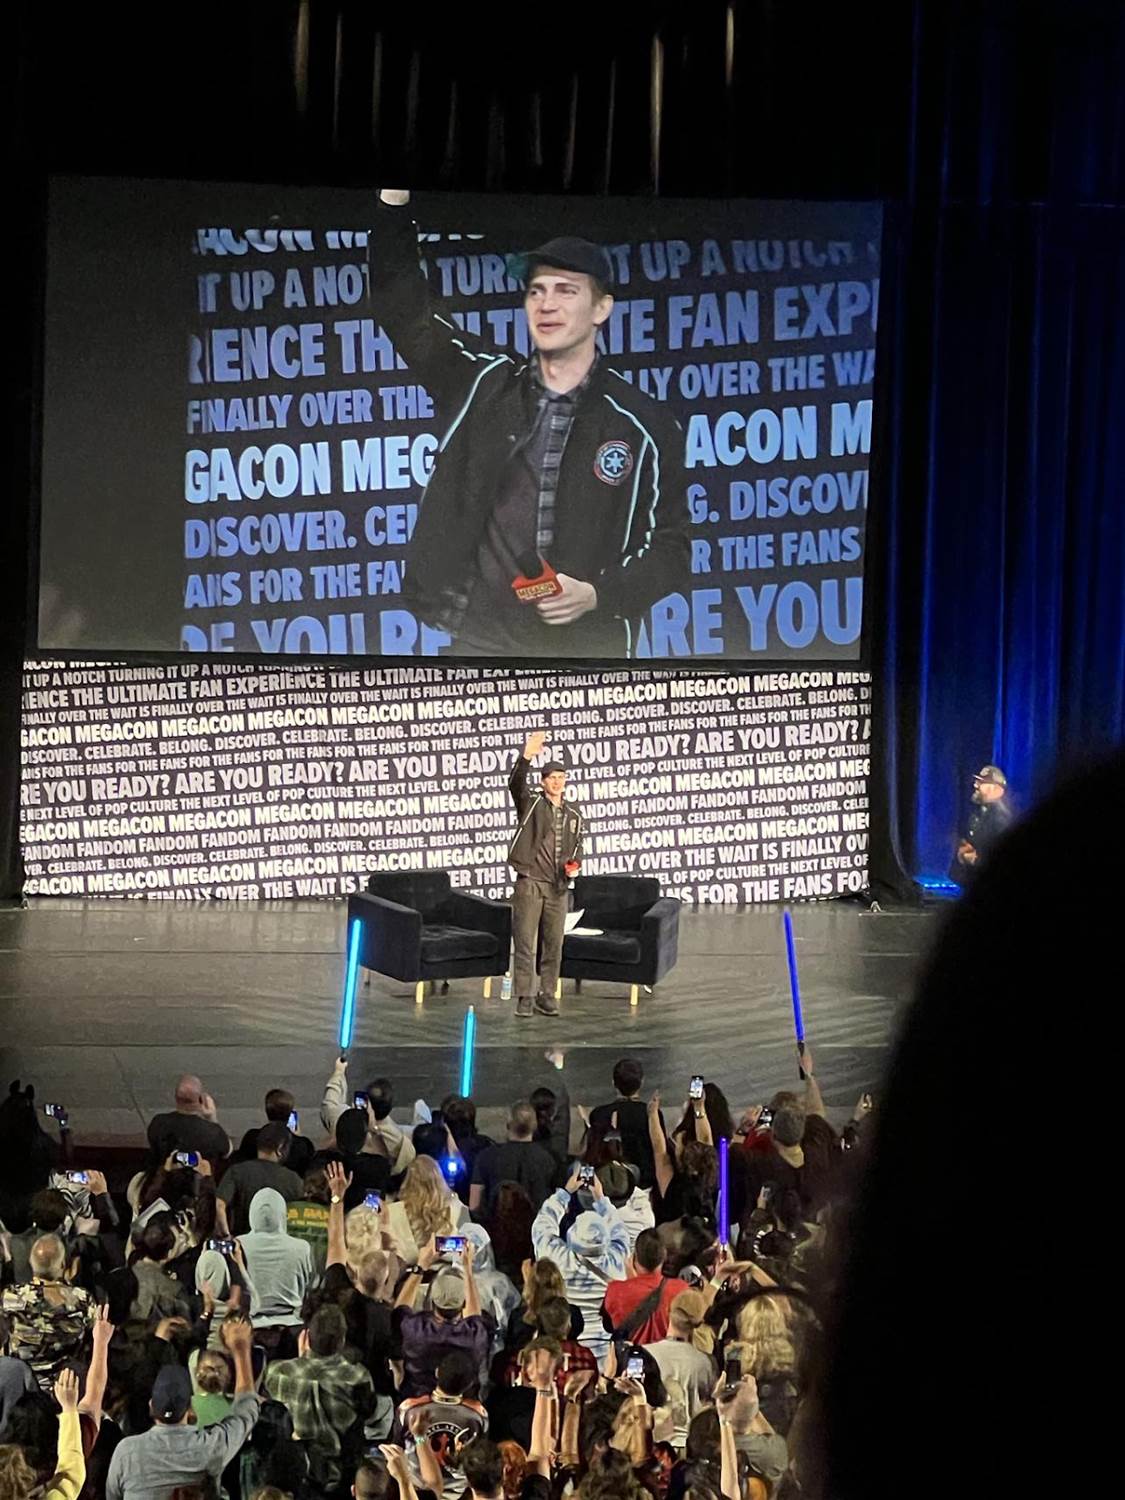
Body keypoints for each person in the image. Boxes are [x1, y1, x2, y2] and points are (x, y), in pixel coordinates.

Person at [372, 190, 691, 660]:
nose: (547, 304)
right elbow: (403, 309)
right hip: (479, 649)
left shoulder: (643, 424)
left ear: (601, 308)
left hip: (586, 661)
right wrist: (393, 206)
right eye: (536, 291)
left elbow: (671, 551)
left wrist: (597, 595)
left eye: (566, 290)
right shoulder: (483, 383)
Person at [104, 1317, 259, 1499]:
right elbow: (247, 1410)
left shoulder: (126, 1452)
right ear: (190, 1409)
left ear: (151, 1407)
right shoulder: (210, 1447)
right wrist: (241, 1349)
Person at [265, 1303, 376, 1494]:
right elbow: (369, 1413)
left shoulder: (278, 1372)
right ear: (342, 1341)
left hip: (298, 1474)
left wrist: (302, 1359)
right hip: (344, 1475)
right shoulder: (359, 1376)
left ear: (307, 1337)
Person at [530, 1169, 628, 1368]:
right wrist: (601, 1198)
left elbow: (542, 1225)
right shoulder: (617, 1260)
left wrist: (565, 1193)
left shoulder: (558, 1258)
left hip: (566, 1340)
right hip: (603, 1349)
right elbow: (620, 1232)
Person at [394, 1240, 493, 1400]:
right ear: (463, 1304)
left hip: (418, 1401)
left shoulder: (415, 1329)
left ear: (432, 1302)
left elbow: (399, 1311)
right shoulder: (474, 1336)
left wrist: (421, 1266)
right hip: (462, 1403)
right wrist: (467, 1269)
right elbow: (475, 1318)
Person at [1, 1234, 94, 1392]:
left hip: (20, 1385)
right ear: (63, 1264)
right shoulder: (82, 1300)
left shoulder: (11, 1296)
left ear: (31, 1262)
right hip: (65, 1387)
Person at [396, 1349, 489, 1498]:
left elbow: (396, 1447)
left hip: (417, 1491)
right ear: (470, 1384)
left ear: (437, 1373)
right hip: (458, 1493)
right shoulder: (479, 1415)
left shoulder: (410, 1409)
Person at [236, 1188, 313, 1350]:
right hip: (291, 1328)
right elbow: (309, 1287)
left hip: (250, 1328)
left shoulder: (238, 1245)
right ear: (282, 1215)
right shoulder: (302, 1248)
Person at [644, 1290, 717, 1451]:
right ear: (699, 1323)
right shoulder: (707, 1363)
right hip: (692, 1445)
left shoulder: (645, 1353)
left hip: (654, 1444)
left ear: (668, 1312)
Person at [321, 1060, 415, 1179]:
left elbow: (330, 1102)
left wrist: (339, 1071)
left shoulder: (342, 1120)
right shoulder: (397, 1141)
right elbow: (409, 1156)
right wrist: (375, 1128)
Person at [600, 1227, 692, 1349]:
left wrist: (631, 1282)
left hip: (630, 1358)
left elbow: (608, 1327)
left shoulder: (615, 1291)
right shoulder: (681, 1290)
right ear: (664, 1256)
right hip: (667, 1358)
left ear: (634, 1257)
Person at [469, 1103, 559, 1215]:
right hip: (538, 1224)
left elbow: (474, 1205)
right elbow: (558, 1203)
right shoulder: (549, 1158)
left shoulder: (486, 1156)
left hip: (496, 1224)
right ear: (535, 1126)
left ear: (508, 1124)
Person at [217, 1124, 303, 1238]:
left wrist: (226, 1235)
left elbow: (220, 1204)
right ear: (280, 1148)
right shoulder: (293, 1180)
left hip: (243, 1242)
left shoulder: (237, 1171)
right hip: (279, 1243)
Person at [385, 1155, 470, 1269]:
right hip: (446, 1274)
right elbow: (467, 1248)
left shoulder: (392, 1212)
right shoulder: (459, 1209)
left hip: (408, 1277)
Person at [588, 1059, 659, 1188]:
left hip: (607, 1184)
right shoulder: (651, 1114)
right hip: (645, 1183)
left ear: (613, 1083)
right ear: (642, 1082)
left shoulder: (599, 1114)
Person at [146, 1078, 231, 1166]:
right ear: (201, 1099)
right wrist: (212, 1118)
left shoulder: (158, 1123)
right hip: (199, 1174)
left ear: (176, 1098)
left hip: (164, 1173)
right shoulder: (213, 1132)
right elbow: (227, 1152)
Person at [951, 764, 1014, 882]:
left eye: (981, 782)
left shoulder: (1002, 818)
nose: (975, 785)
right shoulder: (979, 812)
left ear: (995, 789)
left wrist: (976, 859)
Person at [236, 1089, 315, 1178]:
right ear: (290, 1114)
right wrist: (298, 1138)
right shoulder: (303, 1145)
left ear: (267, 1111)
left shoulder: (251, 1137)